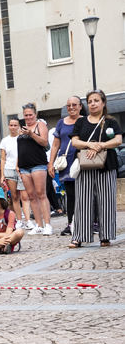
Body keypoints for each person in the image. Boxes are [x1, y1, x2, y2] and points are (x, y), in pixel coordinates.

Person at [70, 90, 122, 248]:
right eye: (90, 101)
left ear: (103, 103)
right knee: (83, 201)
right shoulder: (81, 122)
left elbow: (118, 140)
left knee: (106, 200)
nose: (93, 103)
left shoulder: (110, 122)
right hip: (85, 164)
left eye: (96, 100)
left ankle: (105, 236)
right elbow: (75, 142)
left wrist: (101, 146)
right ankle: (79, 236)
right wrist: (90, 145)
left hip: (106, 164)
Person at [19, 104, 53, 236]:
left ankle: (47, 224)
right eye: (26, 115)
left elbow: (45, 143)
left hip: (38, 164)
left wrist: (31, 134)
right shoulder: (22, 129)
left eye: (30, 115)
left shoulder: (40, 125)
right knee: (31, 196)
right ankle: (38, 225)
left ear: (35, 114)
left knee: (41, 194)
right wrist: (17, 164)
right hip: (24, 166)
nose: (28, 117)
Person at [50, 96, 82, 236]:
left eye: (74, 104)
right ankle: (71, 224)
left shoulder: (85, 121)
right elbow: (56, 144)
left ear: (80, 106)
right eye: (68, 105)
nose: (71, 107)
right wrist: (50, 163)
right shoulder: (61, 123)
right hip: (66, 164)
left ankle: (91, 223)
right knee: (70, 195)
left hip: (82, 162)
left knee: (85, 193)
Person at [0, 118, 27, 228]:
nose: (13, 127)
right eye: (11, 125)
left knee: (25, 196)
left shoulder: (22, 138)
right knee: (14, 197)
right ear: (8, 126)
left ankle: (28, 219)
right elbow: (2, 159)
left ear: (19, 126)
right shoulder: (5, 140)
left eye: (15, 125)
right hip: (9, 169)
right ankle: (19, 220)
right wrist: (2, 175)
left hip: (21, 168)